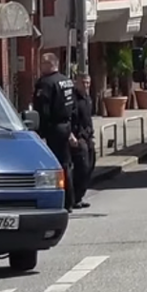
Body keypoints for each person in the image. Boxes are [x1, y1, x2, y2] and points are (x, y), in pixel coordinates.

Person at [33, 52, 77, 210]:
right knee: (66, 164)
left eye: (42, 63)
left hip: (53, 129)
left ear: (49, 64)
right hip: (66, 126)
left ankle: (59, 200)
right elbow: (73, 107)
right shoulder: (67, 81)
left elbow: (43, 110)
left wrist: (40, 133)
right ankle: (70, 200)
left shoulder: (45, 83)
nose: (40, 66)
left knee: (52, 166)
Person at [70, 71, 96, 209]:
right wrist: (71, 135)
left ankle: (80, 196)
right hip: (77, 136)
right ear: (77, 83)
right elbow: (69, 119)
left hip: (87, 136)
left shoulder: (87, 98)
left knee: (91, 164)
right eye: (83, 82)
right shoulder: (73, 99)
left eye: (88, 83)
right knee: (82, 166)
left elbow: (88, 119)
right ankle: (74, 198)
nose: (86, 85)